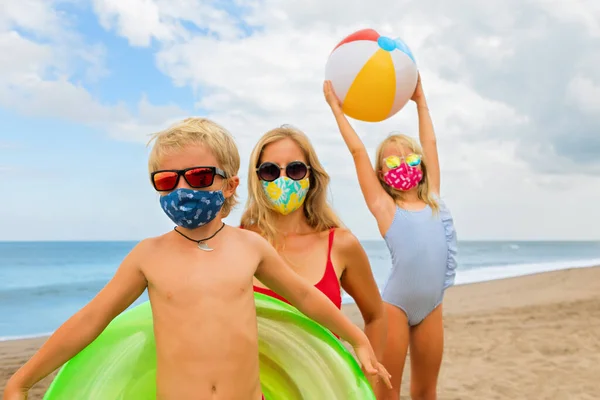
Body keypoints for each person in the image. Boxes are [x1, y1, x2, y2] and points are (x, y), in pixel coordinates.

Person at [2, 117, 391, 400]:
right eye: (168, 181)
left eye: (201, 177)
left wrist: (357, 338)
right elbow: (92, 319)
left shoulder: (250, 247)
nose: (184, 189)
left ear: (230, 185)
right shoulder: (148, 256)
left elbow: (306, 297)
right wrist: (22, 380)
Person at [323, 76, 458, 400]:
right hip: (396, 306)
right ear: (382, 173)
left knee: (427, 391)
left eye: (410, 158)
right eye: (392, 160)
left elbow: (432, 144)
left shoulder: (434, 198)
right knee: (387, 391)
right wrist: (336, 109)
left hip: (433, 306)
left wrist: (420, 101)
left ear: (422, 166)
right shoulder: (385, 207)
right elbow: (357, 152)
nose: (404, 164)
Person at [240, 125, 388, 393]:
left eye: (295, 169)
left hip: (323, 389)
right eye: (270, 171)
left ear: (312, 176)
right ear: (257, 178)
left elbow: (376, 315)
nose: (282, 180)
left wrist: (368, 383)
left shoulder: (340, 244)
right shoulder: (238, 244)